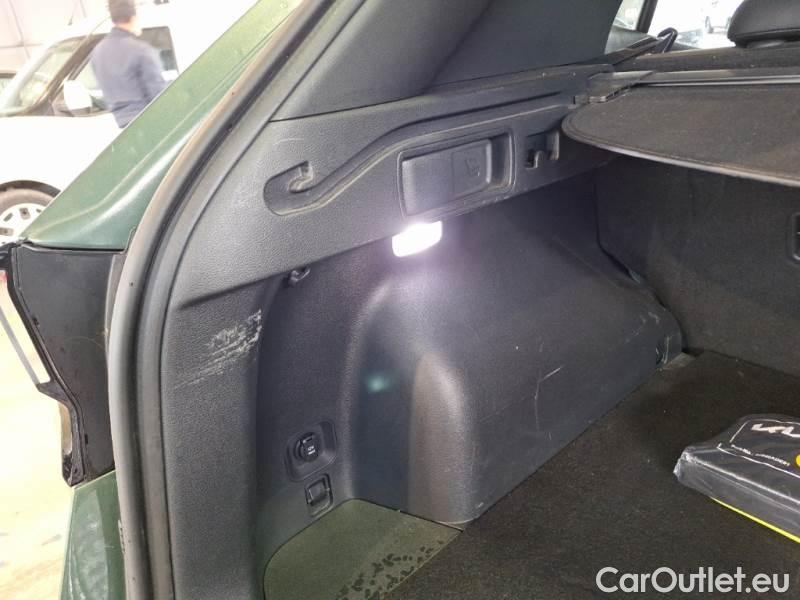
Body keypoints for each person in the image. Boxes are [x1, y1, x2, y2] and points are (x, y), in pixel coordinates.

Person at [91, 0, 167, 127]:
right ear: (133, 17)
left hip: (121, 125)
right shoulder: (140, 50)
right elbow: (159, 95)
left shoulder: (97, 52)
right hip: (147, 123)